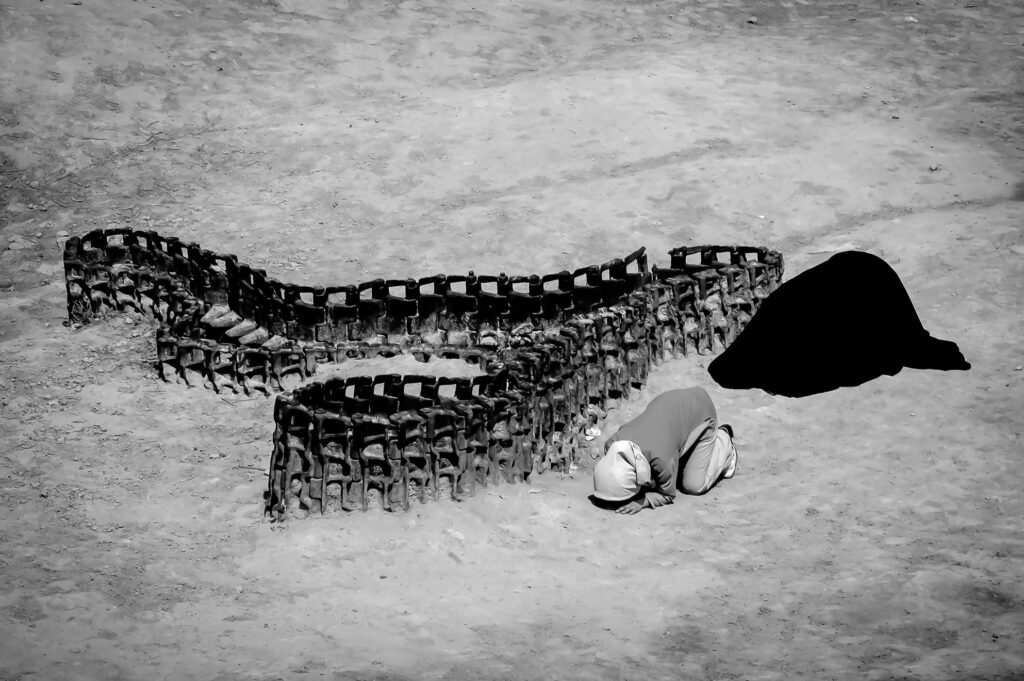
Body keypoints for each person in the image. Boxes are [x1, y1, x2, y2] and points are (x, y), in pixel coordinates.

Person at [592, 387, 737, 514]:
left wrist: (643, 501)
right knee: (674, 465)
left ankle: (724, 441)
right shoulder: (612, 444)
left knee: (693, 485)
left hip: (701, 409)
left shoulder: (660, 458)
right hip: (667, 404)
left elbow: (667, 494)